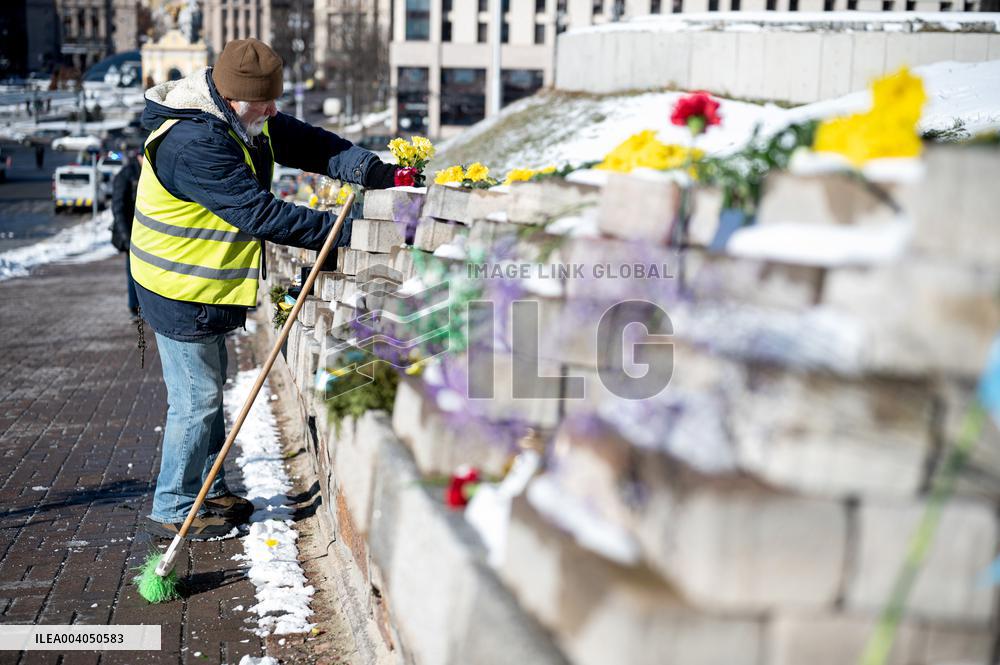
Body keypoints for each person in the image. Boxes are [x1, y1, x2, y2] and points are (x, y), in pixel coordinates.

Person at [131, 38, 401, 539]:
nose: (273, 111)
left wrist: (377, 172)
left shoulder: (242, 118)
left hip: (200, 284)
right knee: (197, 399)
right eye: (264, 104)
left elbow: (316, 146)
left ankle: (205, 490)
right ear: (234, 99)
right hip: (176, 286)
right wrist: (345, 232)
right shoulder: (194, 143)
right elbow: (260, 214)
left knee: (206, 391)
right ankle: (174, 505)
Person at [110, 152, 142, 319]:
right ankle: (134, 308)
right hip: (130, 232)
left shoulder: (147, 172)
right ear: (139, 156)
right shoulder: (127, 174)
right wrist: (126, 237)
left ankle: (142, 306)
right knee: (133, 272)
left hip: (144, 231)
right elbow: (118, 208)